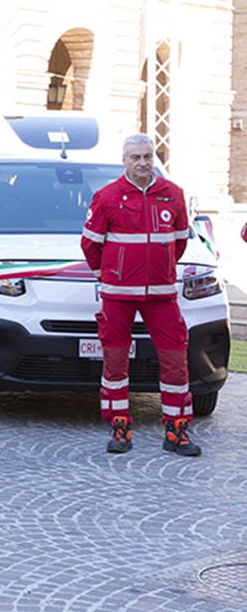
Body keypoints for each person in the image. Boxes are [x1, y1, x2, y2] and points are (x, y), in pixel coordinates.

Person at [81, 133, 200, 456]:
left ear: (154, 159)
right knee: (116, 362)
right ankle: (119, 424)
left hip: (162, 296)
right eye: (136, 157)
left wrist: (159, 270)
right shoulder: (106, 196)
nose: (143, 163)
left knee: (176, 361)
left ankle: (177, 428)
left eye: (148, 156)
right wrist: (107, 275)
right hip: (118, 296)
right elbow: (90, 244)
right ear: (125, 161)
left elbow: (178, 243)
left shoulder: (173, 194)